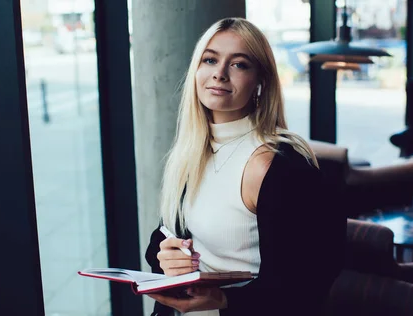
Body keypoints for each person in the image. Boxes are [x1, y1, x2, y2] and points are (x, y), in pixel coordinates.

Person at [144, 17, 346, 315]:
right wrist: (165, 258)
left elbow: (308, 285)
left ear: (260, 81)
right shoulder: (192, 152)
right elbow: (163, 237)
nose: (220, 74)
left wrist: (225, 301)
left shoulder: (276, 167)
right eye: (210, 59)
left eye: (239, 64)